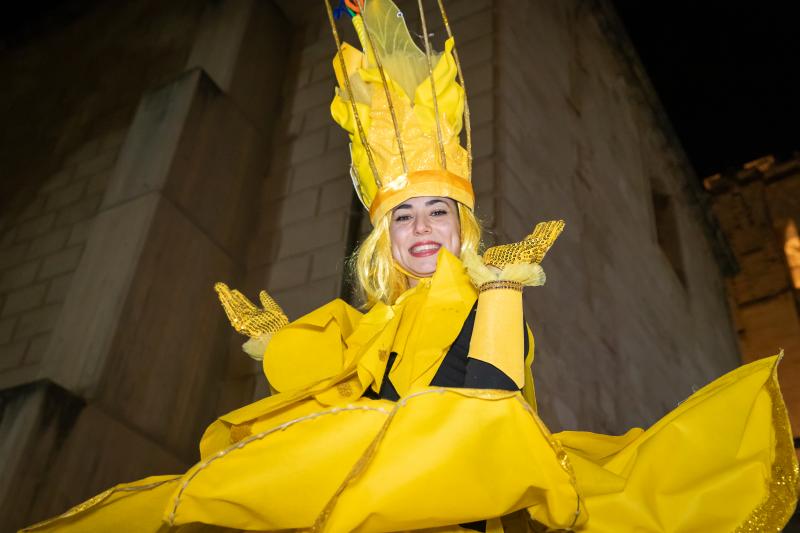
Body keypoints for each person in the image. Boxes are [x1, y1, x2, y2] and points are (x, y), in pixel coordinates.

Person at [22, 1, 798, 532]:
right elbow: (338, 373)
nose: (422, 229)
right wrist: (275, 343)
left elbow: (489, 411)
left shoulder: (482, 289)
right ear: (380, 235)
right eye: (404, 214)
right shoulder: (374, 323)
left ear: (463, 226)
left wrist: (497, 291)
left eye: (439, 212)